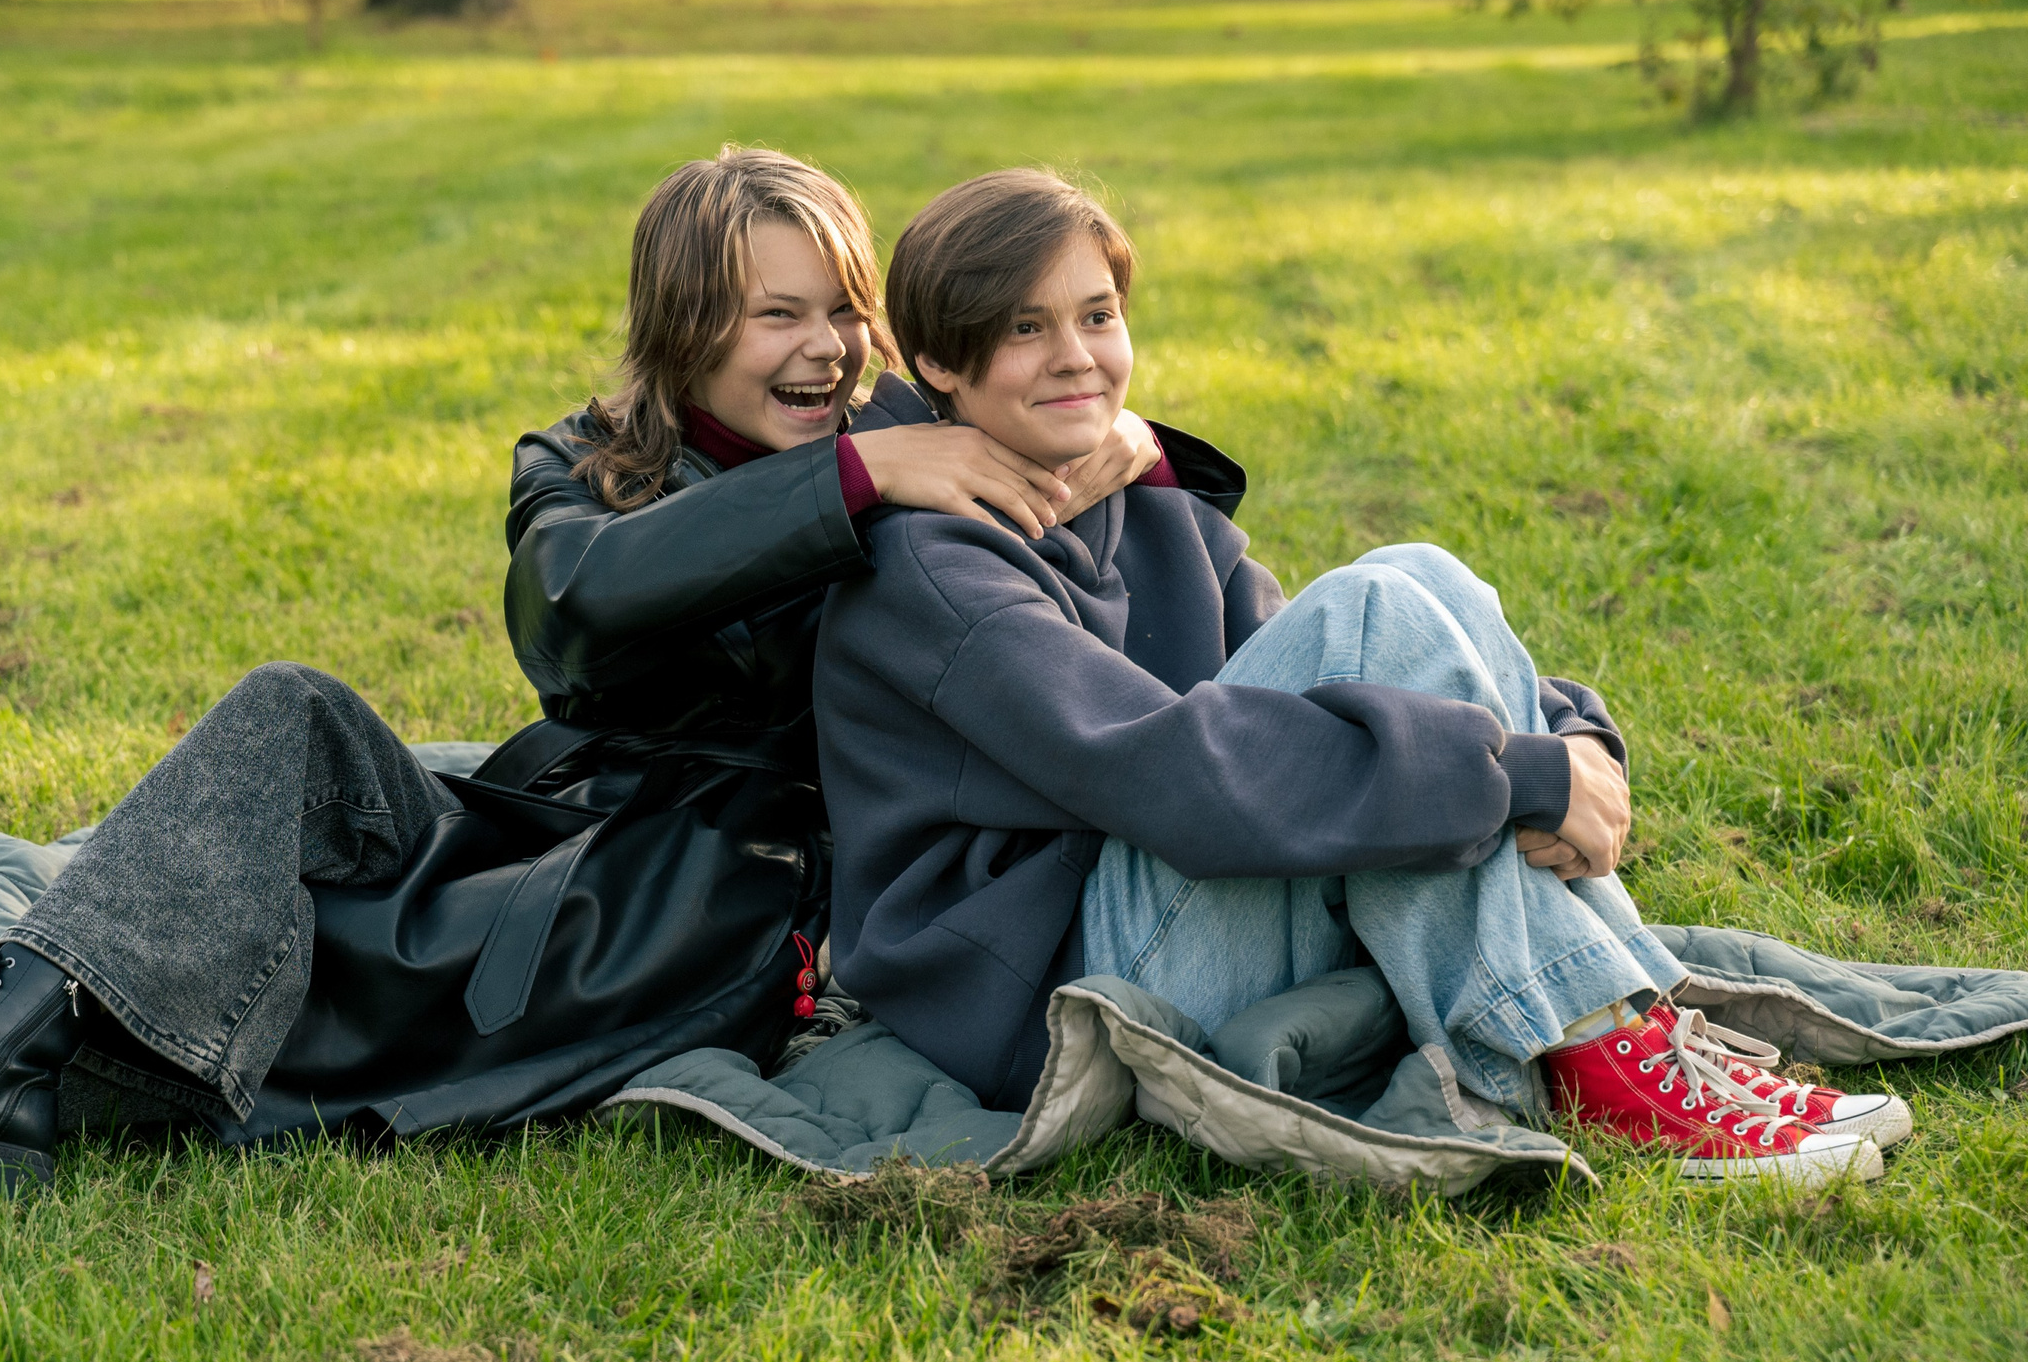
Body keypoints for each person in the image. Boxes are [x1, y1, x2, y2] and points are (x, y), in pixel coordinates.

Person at [0, 147, 1170, 1188]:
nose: (823, 351)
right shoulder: (594, 465)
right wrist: (844, 488)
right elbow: (579, 616)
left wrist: (1107, 438)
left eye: (841, 314)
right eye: (772, 318)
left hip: (694, 902)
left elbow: (1084, 435)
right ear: (683, 331)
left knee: (239, 949)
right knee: (282, 740)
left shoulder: (904, 446)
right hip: (545, 830)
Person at [813, 169, 1908, 1182]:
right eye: (1023, 330)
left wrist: (1573, 739)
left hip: (1175, 901)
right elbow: (1175, 776)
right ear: (941, 367)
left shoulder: (1133, 494)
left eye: (1098, 315)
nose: (1076, 355)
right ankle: (1599, 1046)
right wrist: (1517, 775)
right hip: (1054, 984)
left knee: (1415, 579)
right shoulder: (926, 565)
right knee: (1380, 612)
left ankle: (1623, 1031)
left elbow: (1345, 672)